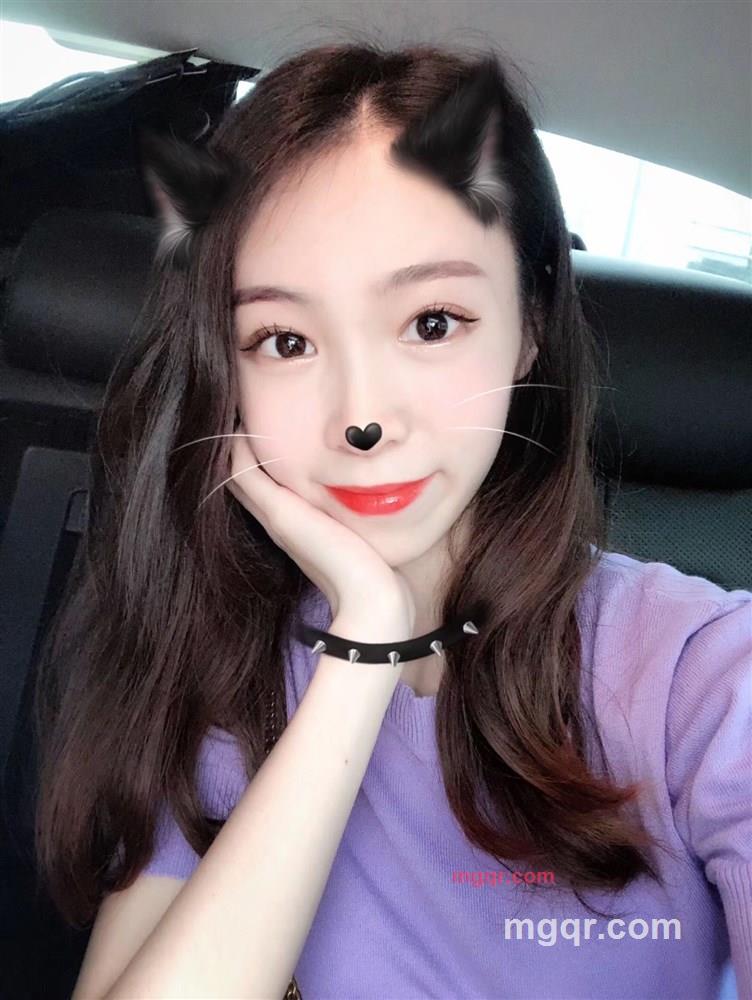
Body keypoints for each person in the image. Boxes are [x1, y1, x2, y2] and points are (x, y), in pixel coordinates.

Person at [34, 38, 750, 1000]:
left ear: (530, 326)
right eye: (284, 341)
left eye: (431, 323)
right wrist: (365, 640)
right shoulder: (229, 668)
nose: (361, 418)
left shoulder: (702, 678)